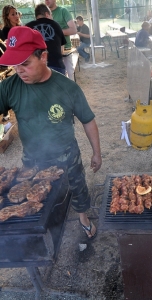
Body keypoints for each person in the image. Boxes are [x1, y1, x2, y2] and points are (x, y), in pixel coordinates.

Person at [0, 26, 102, 239]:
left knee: (78, 187)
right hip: (32, 158)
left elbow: (88, 120)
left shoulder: (67, 87)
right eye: (15, 64)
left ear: (43, 56)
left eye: (25, 63)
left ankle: (83, 217)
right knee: (35, 196)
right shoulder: (10, 86)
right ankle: (48, 221)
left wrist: (96, 153)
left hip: (66, 155)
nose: (19, 70)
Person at [26, 4, 66, 75]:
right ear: (47, 14)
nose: (52, 17)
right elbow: (61, 50)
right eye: (51, 15)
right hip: (56, 65)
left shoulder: (28, 27)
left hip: (36, 67)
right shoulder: (56, 24)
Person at [45, 0, 77, 81]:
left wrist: (55, 31)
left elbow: (73, 30)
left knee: (69, 74)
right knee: (54, 78)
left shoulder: (63, 11)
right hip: (50, 51)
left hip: (65, 49)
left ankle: (71, 91)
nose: (46, 0)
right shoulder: (43, 14)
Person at [1, 5, 21, 122]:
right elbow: (8, 49)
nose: (16, 16)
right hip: (11, 63)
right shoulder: (5, 31)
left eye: (16, 13)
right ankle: (5, 111)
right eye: (12, 14)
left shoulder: (20, 27)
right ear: (7, 17)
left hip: (22, 60)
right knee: (8, 86)